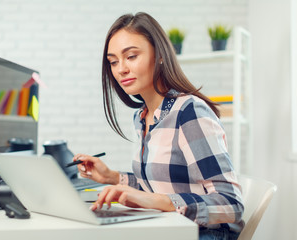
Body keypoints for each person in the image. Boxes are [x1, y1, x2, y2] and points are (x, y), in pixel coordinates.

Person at [73, 12, 244, 239]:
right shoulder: (142, 116)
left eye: (131, 56)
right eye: (113, 62)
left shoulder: (188, 112)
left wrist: (159, 202)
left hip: (202, 234)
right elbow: (160, 184)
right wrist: (112, 177)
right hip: (169, 229)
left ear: (160, 55)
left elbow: (232, 204)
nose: (120, 69)